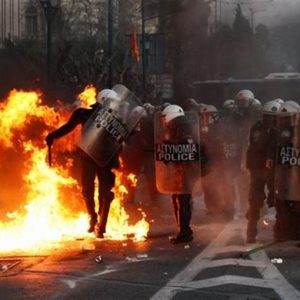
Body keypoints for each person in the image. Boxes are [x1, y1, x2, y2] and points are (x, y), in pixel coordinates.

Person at [46, 89, 120, 238]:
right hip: (89, 157)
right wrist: (53, 135)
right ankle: (93, 217)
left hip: (106, 159)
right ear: (104, 101)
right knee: (87, 190)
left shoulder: (115, 118)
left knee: (105, 193)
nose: (113, 104)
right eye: (111, 101)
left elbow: (123, 137)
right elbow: (68, 127)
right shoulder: (84, 114)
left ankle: (101, 223)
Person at [246, 100, 281, 243]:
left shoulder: (260, 128)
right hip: (263, 170)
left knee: (275, 201)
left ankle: (254, 232)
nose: (269, 120)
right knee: (259, 201)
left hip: (266, 170)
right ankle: (252, 232)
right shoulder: (273, 130)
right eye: (268, 116)